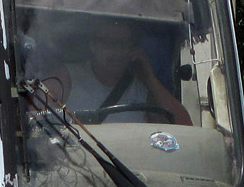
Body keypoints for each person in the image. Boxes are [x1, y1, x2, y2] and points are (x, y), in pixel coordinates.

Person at [54, 18, 192, 126]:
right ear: (94, 46)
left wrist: (150, 79)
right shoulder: (66, 77)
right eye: (110, 44)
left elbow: (184, 127)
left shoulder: (142, 88)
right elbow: (35, 119)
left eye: (124, 44)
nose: (118, 51)